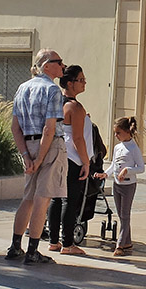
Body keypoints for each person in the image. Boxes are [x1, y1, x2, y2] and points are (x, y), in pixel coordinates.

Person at [6, 49, 68, 265]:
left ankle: (15, 245)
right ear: (46, 65)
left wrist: (26, 155)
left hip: (29, 145)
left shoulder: (22, 88)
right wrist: (40, 159)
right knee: (43, 198)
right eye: (58, 62)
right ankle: (32, 250)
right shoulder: (53, 90)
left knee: (28, 197)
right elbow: (50, 129)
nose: (62, 66)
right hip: (48, 146)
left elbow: (15, 127)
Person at [46, 65, 93, 255]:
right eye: (81, 80)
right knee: (69, 200)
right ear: (70, 83)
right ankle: (67, 244)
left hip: (58, 155)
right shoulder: (75, 107)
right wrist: (86, 162)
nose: (84, 83)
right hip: (73, 159)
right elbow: (78, 138)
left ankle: (53, 241)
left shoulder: (59, 104)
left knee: (56, 198)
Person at [105, 117, 145, 256]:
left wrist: (128, 170)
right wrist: (105, 174)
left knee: (125, 214)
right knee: (121, 215)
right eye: (115, 133)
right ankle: (127, 241)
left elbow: (141, 168)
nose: (116, 136)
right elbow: (113, 165)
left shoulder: (134, 148)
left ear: (127, 132)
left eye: (118, 133)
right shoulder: (117, 147)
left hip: (128, 185)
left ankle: (120, 244)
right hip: (117, 184)